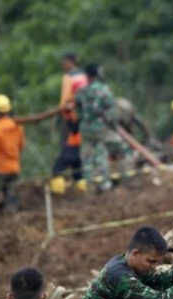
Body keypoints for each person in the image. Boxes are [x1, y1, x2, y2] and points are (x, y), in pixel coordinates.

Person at [75, 64, 117, 192]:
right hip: (100, 127)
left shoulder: (81, 91)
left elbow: (78, 110)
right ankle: (104, 183)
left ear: (87, 76)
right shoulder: (104, 90)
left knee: (87, 157)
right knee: (101, 154)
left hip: (86, 128)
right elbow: (110, 109)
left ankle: (89, 185)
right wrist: (111, 123)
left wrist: (83, 119)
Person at [52, 52, 88, 194]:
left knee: (59, 165)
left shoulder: (68, 77)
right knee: (78, 164)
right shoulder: (84, 76)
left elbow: (66, 100)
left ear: (69, 62)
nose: (63, 64)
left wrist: (63, 113)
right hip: (83, 121)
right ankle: (82, 189)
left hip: (71, 120)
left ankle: (58, 194)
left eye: (64, 61)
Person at [0, 94, 25, 212]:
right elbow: (21, 145)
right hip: (14, 167)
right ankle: (11, 214)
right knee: (11, 195)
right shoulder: (17, 126)